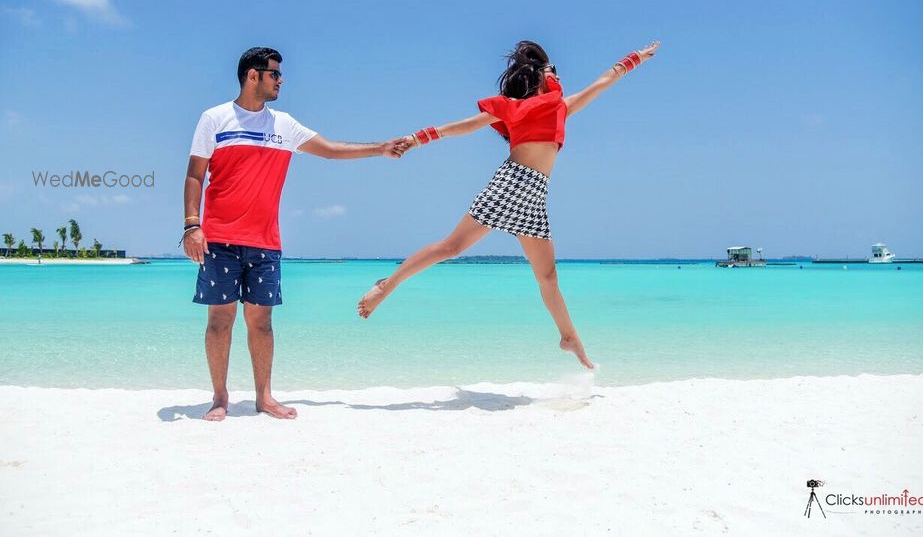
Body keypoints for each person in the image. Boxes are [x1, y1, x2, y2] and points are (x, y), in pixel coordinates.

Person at [358, 40, 661, 368]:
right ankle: (387, 286)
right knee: (452, 247)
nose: (557, 76)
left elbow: (604, 82)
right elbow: (462, 127)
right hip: (511, 183)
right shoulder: (510, 108)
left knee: (547, 276)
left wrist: (636, 58)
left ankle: (569, 337)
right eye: (552, 70)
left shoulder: (562, 108)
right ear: (541, 76)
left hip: (534, 195)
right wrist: (418, 138)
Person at [184, 46, 406, 421]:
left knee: (262, 322)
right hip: (219, 239)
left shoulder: (284, 125)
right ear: (252, 75)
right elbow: (195, 174)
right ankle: (220, 398)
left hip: (265, 242)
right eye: (274, 74)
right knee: (219, 321)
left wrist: (380, 148)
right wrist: (192, 225)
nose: (281, 80)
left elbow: (332, 150)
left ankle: (264, 397)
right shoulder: (215, 119)